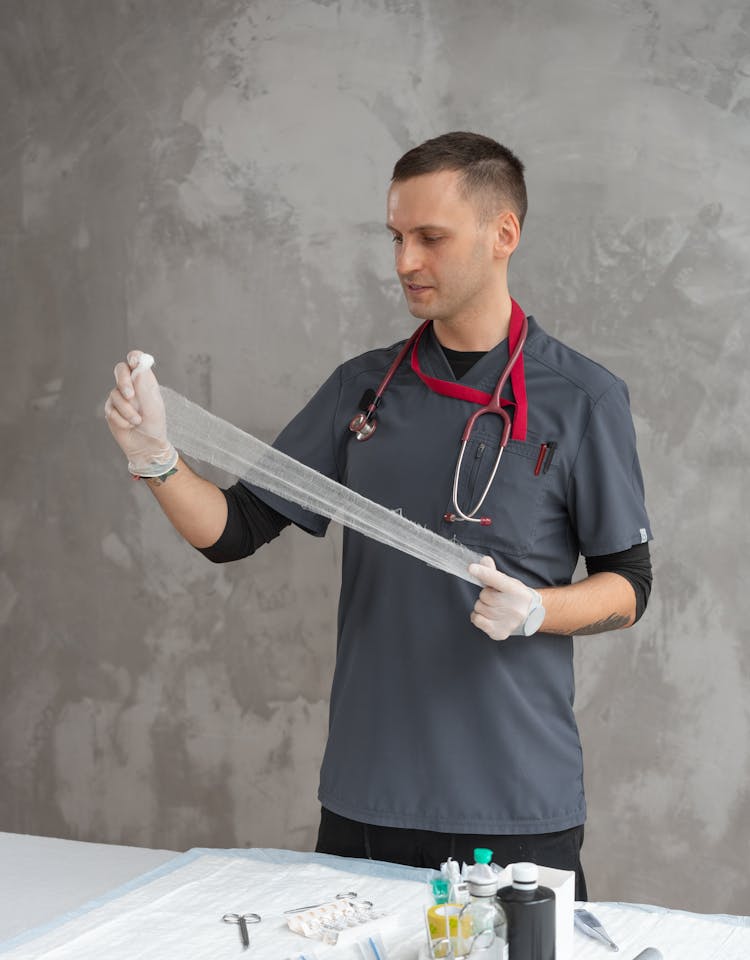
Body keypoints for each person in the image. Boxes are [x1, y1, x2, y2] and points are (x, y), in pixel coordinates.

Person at [105, 132, 652, 898]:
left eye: (430, 237)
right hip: (368, 800)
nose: (404, 261)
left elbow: (630, 585)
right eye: (397, 237)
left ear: (504, 236)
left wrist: (541, 610)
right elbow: (233, 530)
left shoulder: (582, 401)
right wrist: (157, 458)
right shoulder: (362, 393)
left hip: (514, 803)